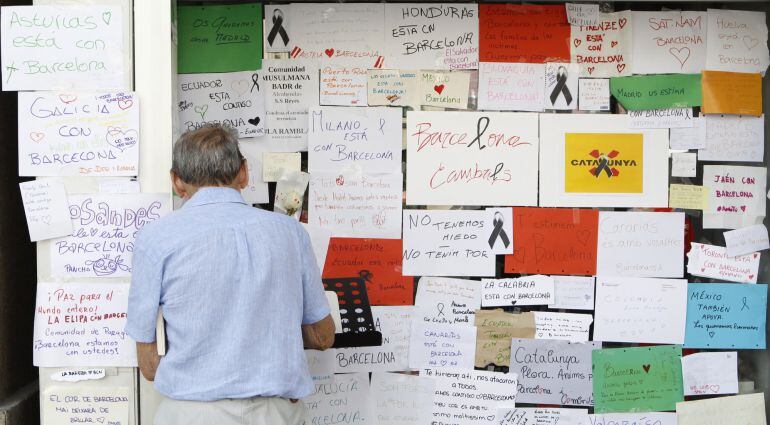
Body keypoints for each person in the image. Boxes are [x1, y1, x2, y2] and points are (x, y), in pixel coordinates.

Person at [125, 124, 334, 425]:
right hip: (274, 413)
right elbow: (322, 335)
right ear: (244, 173)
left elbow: (148, 365)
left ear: (177, 182)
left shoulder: (156, 239)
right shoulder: (289, 233)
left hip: (191, 414)